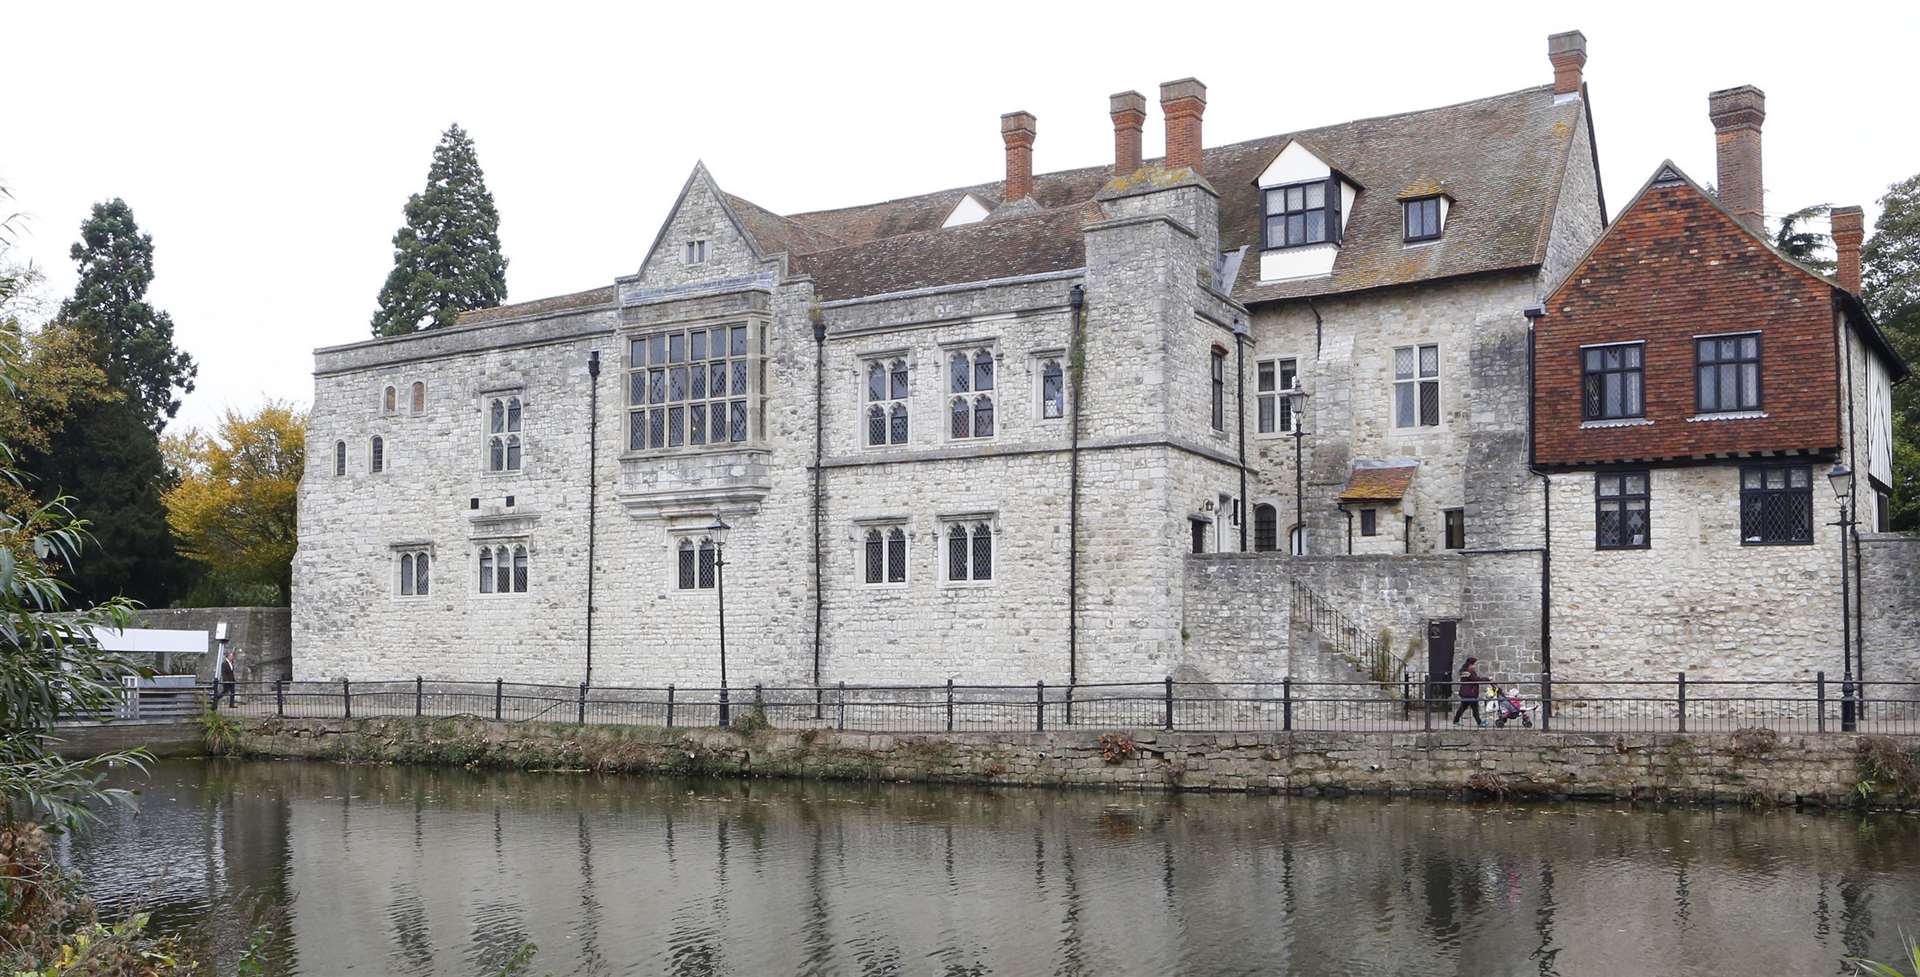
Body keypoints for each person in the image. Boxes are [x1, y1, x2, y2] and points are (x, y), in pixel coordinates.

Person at [1452, 656, 1486, 727]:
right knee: (1475, 709)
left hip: (1465, 693)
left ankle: (1455, 721)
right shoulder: (1469, 672)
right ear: (1470, 665)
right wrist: (1487, 679)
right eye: (1474, 664)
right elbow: (1476, 679)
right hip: (1471, 693)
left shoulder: (1464, 671)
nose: (1474, 666)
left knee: (1463, 707)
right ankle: (1479, 723)